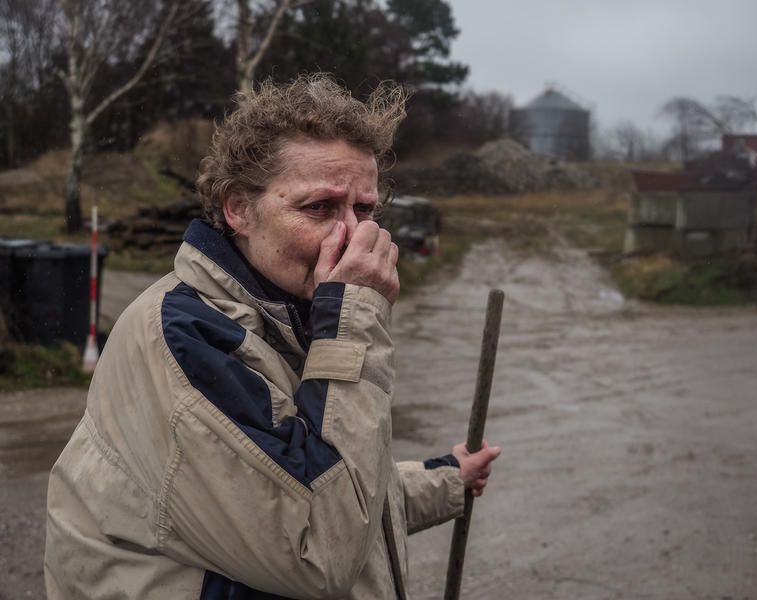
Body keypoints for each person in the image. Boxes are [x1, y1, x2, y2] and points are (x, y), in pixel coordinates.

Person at [44, 74, 501, 599]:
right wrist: (353, 317)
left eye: (366, 209)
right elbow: (320, 546)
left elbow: (325, 478)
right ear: (239, 208)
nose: (353, 234)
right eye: (319, 208)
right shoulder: (188, 337)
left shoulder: (292, 314)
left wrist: (447, 479)